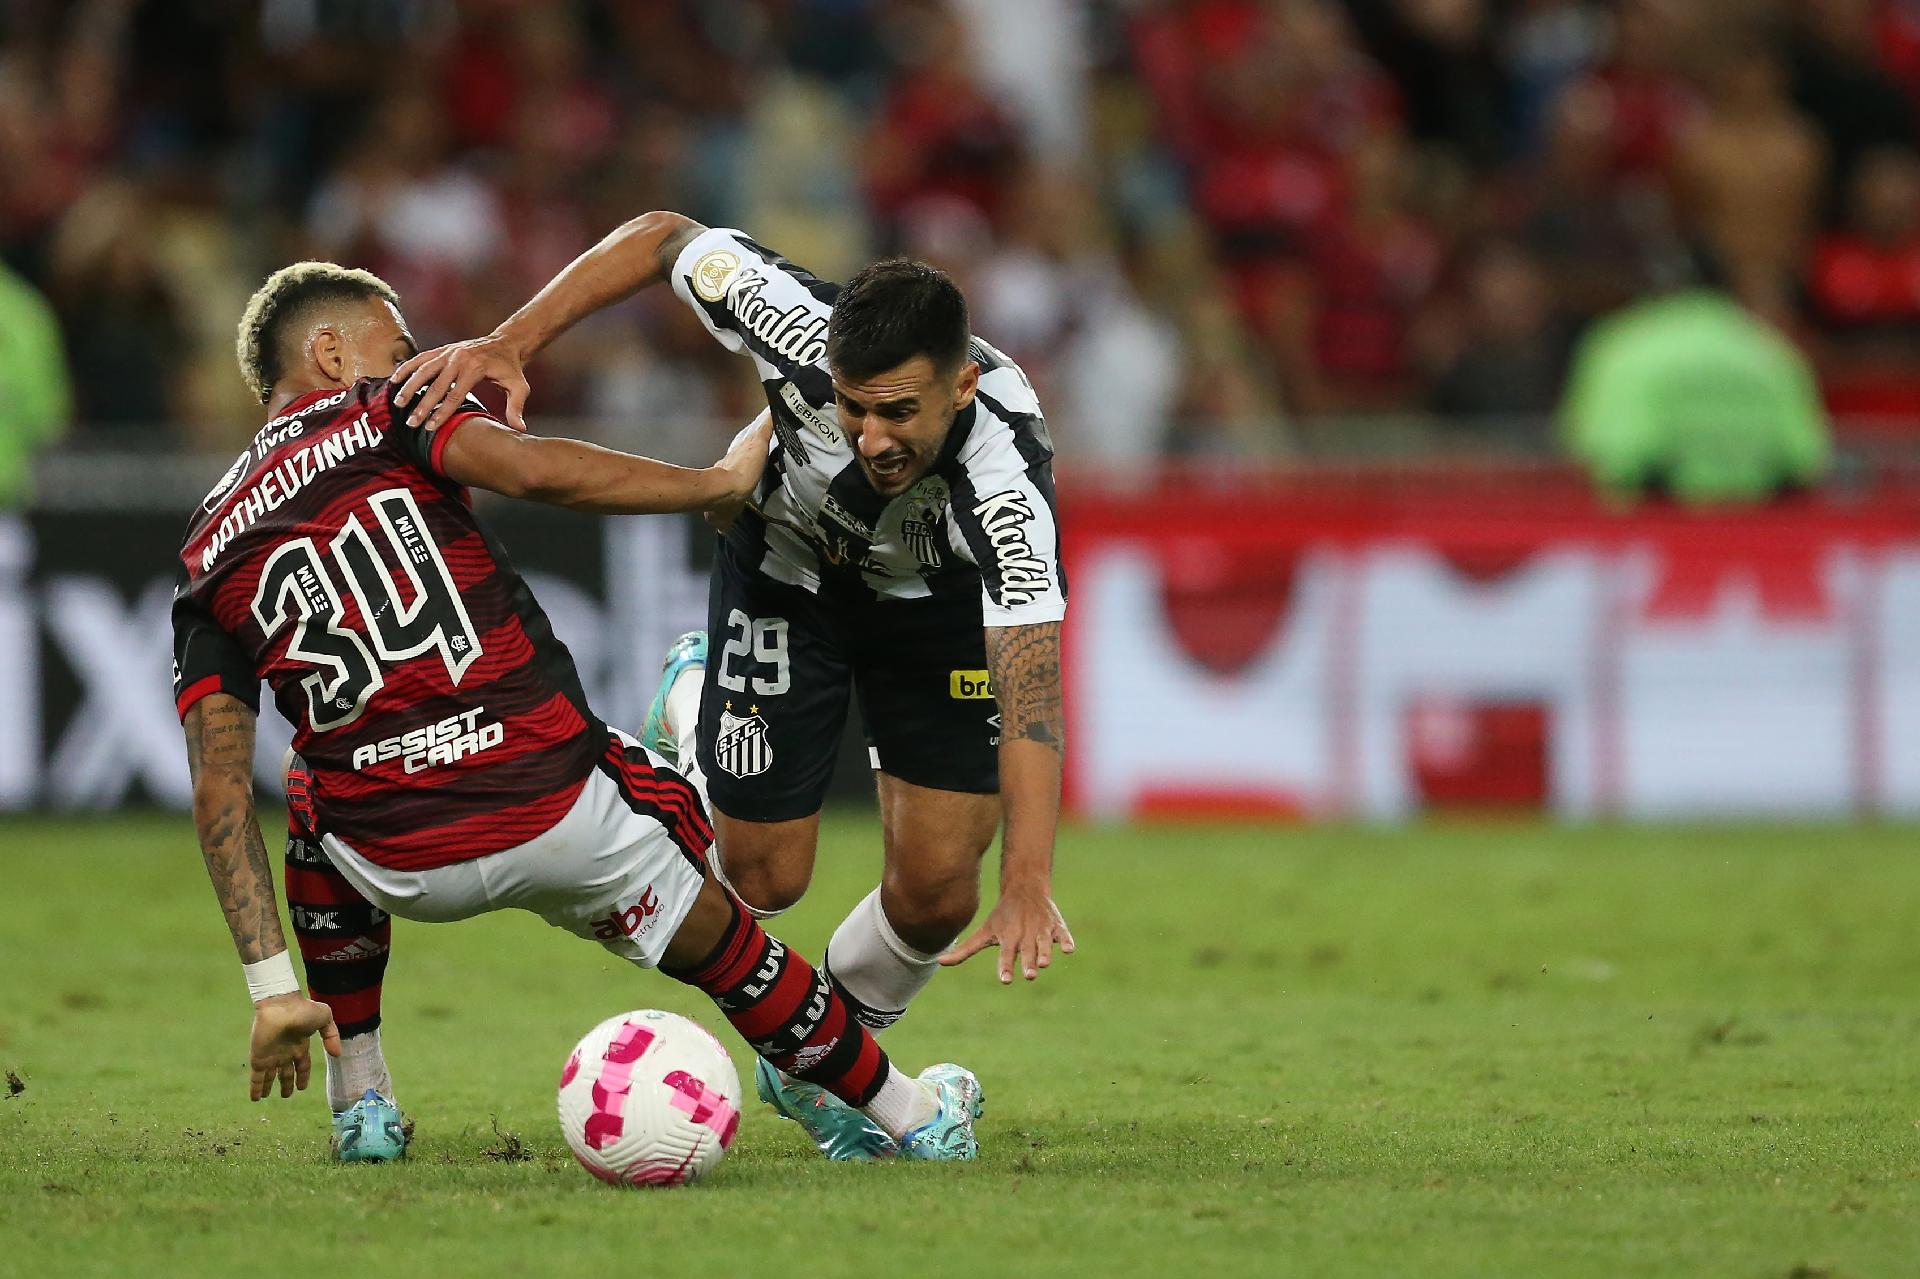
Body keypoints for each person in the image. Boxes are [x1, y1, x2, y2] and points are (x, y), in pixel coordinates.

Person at [173, 261, 982, 1165]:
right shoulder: (387, 411)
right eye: (396, 348)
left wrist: (271, 986)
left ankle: (359, 1099)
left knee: (311, 792)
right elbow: (537, 469)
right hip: (555, 802)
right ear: (329, 352)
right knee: (730, 931)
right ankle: (914, 1114)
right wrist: (712, 484)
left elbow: (217, 788)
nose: (416, 363)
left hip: (400, 860)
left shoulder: (207, 542)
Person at [394, 210, 1073, 1160]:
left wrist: (1029, 880)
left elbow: (1033, 692)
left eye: (900, 412)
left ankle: (811, 1063)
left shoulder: (1007, 484)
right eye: (852, 407)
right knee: (761, 879)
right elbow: (663, 235)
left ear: (962, 384)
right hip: (789, 573)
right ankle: (693, 694)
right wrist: (510, 342)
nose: (873, 437)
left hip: (934, 617)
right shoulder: (785, 318)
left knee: (935, 895)